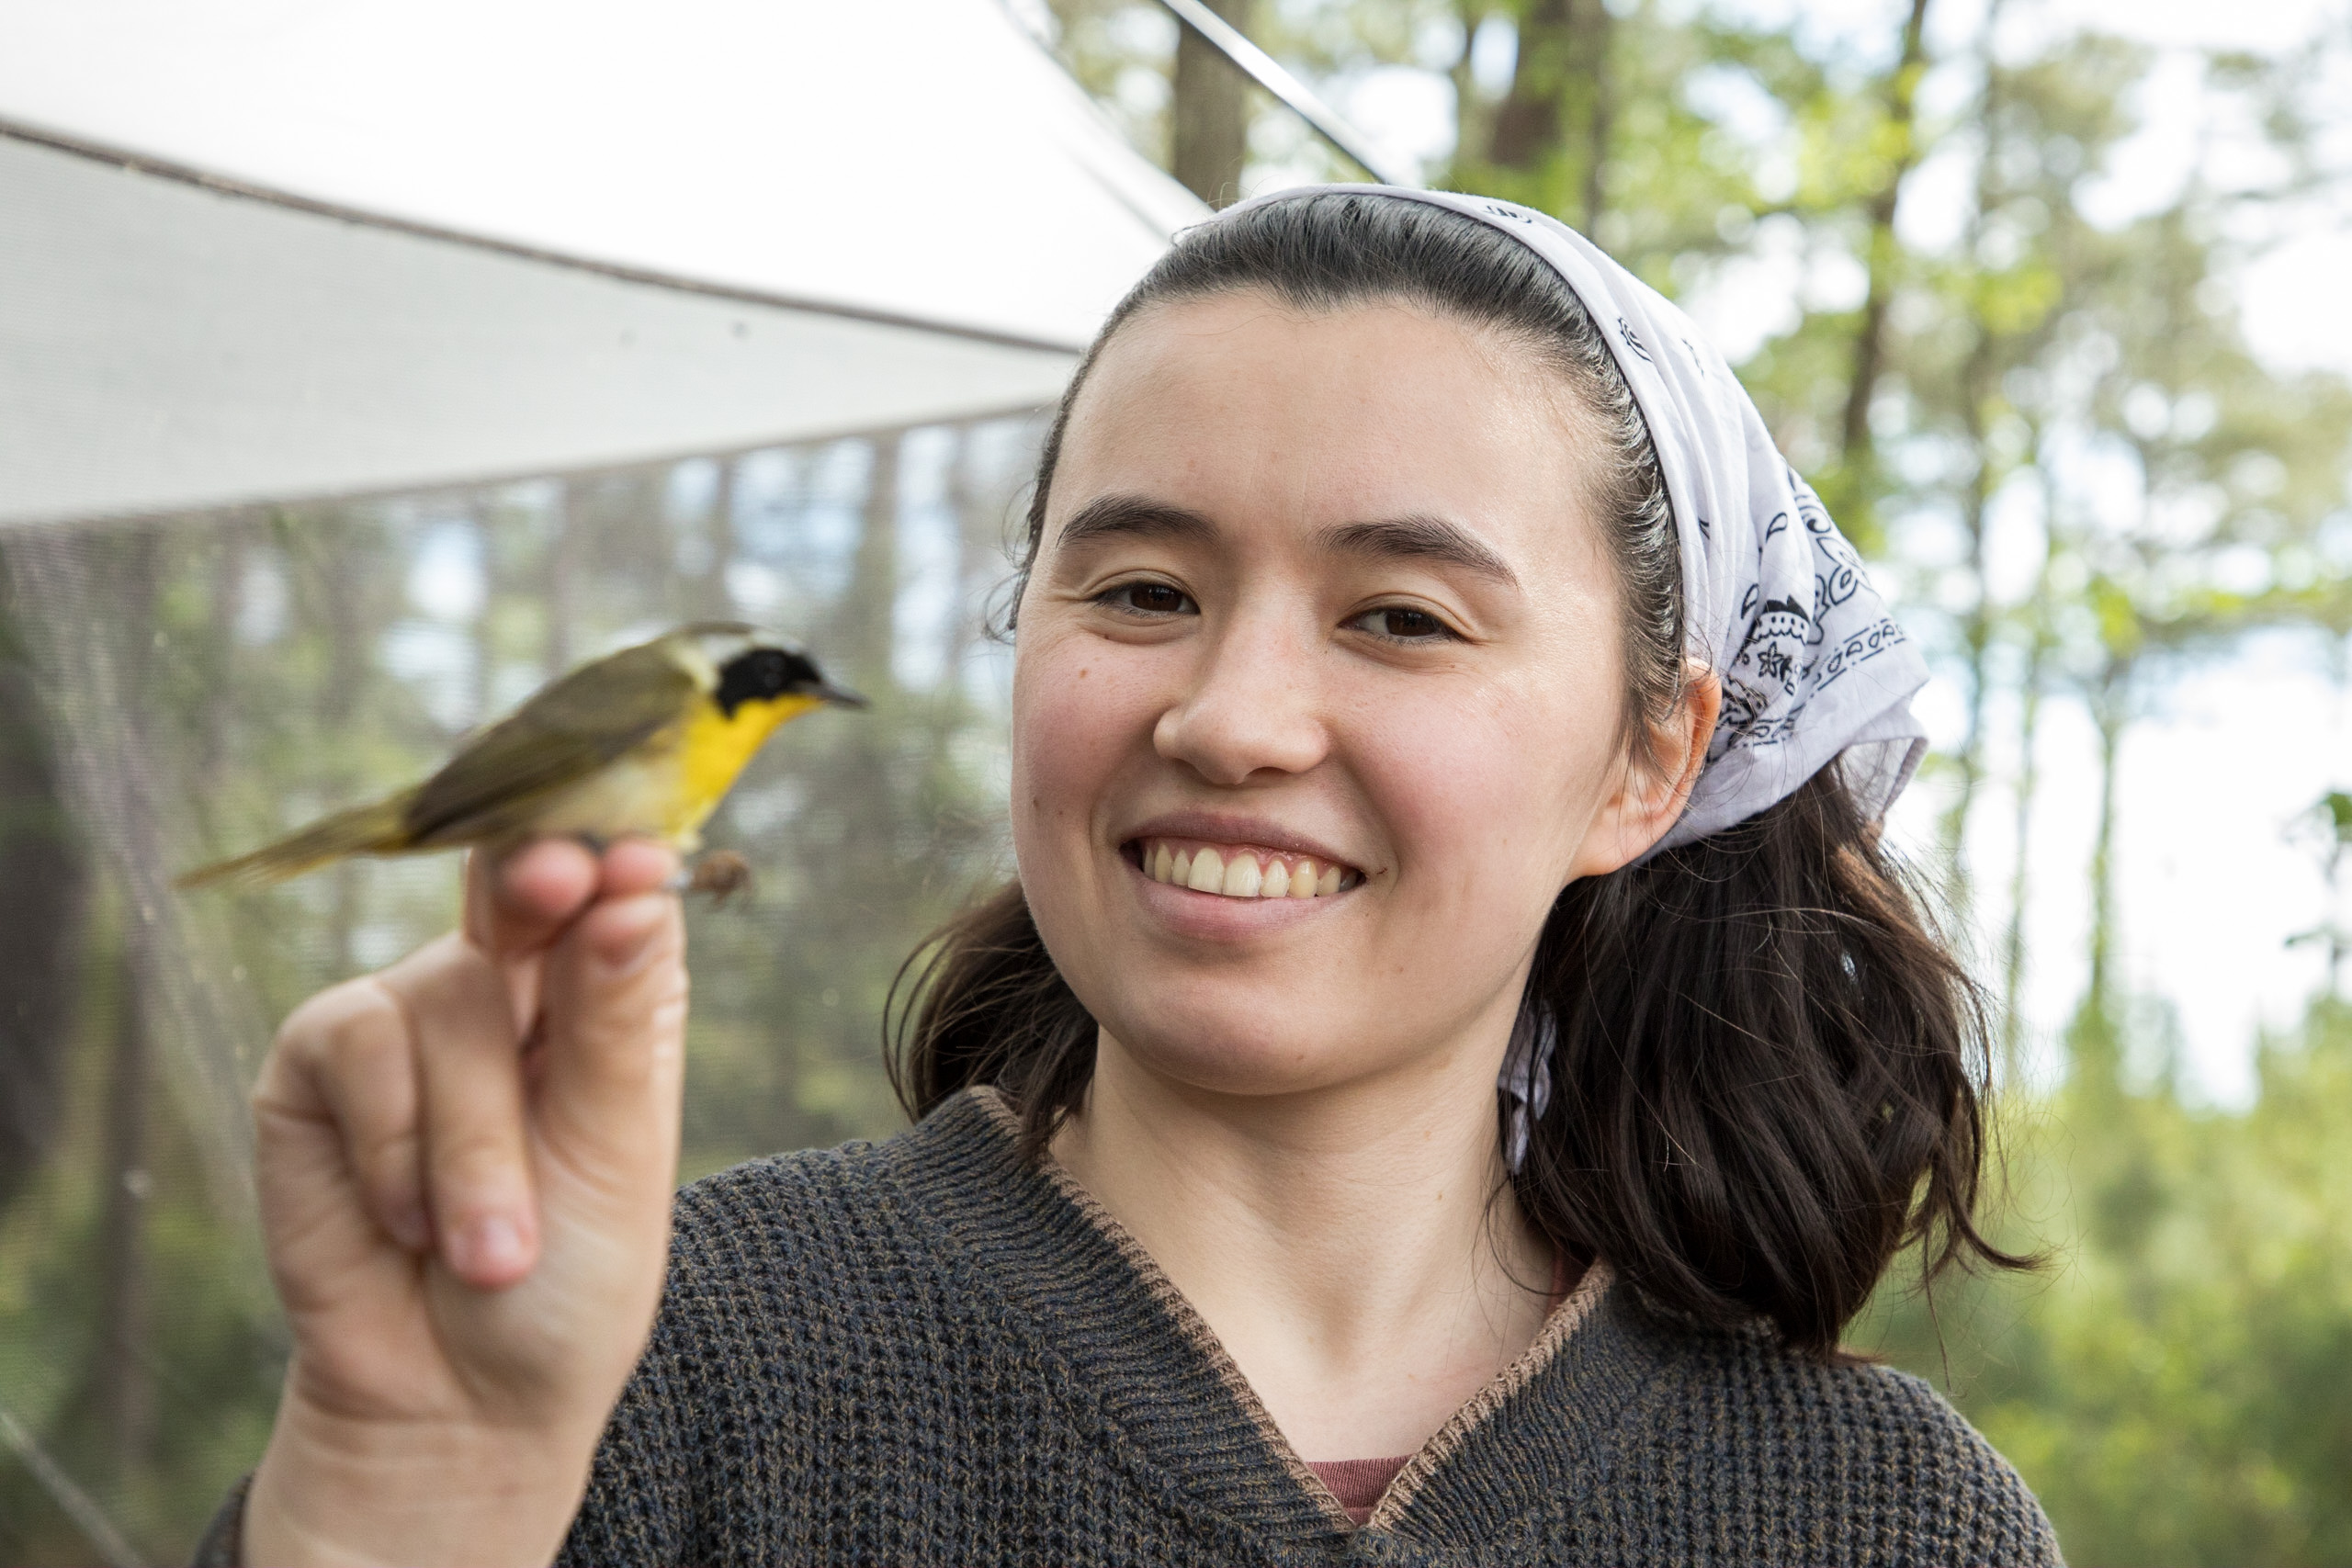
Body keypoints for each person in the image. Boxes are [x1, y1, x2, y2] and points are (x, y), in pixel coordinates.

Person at [200, 188, 2059, 1566]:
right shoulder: (646, 1377)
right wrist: (397, 1514)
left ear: (1648, 753)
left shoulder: (1883, 1524)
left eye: (1399, 616)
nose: (1230, 715)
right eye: (1142, 590)